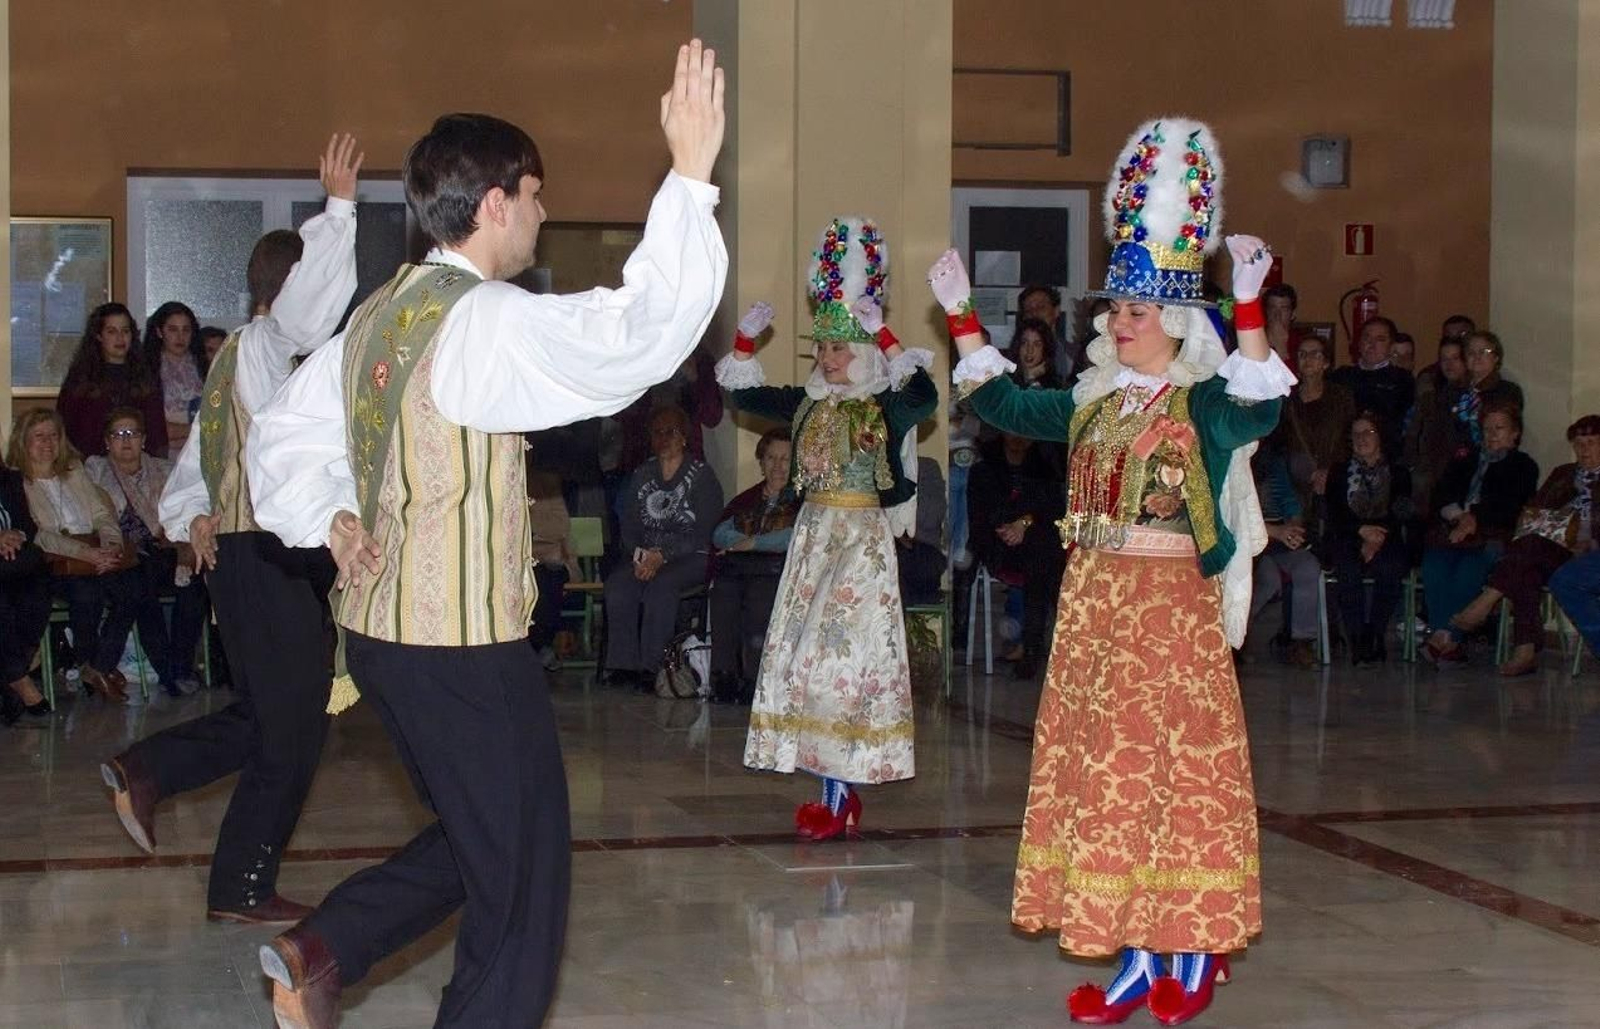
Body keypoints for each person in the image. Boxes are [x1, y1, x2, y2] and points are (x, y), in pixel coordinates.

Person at [245, 43, 727, 1029]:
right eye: (538, 196)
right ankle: (345, 954)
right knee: (523, 885)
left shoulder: (378, 316)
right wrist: (687, 179)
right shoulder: (482, 319)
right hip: (457, 645)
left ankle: (326, 948)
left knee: (491, 837)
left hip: (383, 639)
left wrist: (327, 515)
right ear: (497, 201)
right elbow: (633, 335)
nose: (544, 215)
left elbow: (282, 436)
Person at [937, 117, 1293, 1026]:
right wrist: (962, 318)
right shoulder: (1094, 403)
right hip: (1096, 611)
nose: (1115, 322)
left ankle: (1172, 954)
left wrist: (1248, 308)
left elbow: (1259, 410)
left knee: (1163, 778)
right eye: (1112, 311)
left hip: (1167, 615)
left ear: (1171, 319)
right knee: (1107, 777)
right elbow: (1008, 398)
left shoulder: (1204, 402)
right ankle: (1148, 952)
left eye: (1131, 311)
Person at [98, 136, 361, 941]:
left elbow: (191, 477)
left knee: (270, 716)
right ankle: (235, 871)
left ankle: (153, 777)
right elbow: (311, 306)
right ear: (281, 291)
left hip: (241, 558)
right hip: (267, 560)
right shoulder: (268, 345)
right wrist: (341, 209)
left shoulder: (234, 366)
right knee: (295, 724)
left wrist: (197, 519)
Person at [717, 215, 937, 843]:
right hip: (814, 537)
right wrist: (742, 342)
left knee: (847, 658)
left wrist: (888, 335)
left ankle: (840, 793)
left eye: (839, 348)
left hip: (860, 543)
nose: (828, 358)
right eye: (823, 347)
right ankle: (829, 790)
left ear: (862, 352)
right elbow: (746, 396)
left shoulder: (883, 405)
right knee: (807, 659)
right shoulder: (809, 402)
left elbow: (923, 396)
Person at [1443, 415, 1600, 676]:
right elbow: (1533, 513)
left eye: (1592, 443)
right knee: (1528, 551)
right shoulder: (1563, 474)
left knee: (1525, 566)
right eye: (1579, 444)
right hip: (1558, 550)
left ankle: (1495, 614)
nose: (1584, 450)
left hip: (1592, 556)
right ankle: (1520, 646)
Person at [11, 408, 134, 702]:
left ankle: (98, 666)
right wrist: (86, 553)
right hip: (56, 561)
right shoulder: (16, 482)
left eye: (53, 435)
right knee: (87, 594)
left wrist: (111, 545)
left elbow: (103, 513)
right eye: (39, 436)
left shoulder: (74, 471)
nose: (48, 443)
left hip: (96, 550)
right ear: (23, 441)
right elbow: (39, 534)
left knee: (133, 590)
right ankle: (90, 664)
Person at [85, 407, 206, 695]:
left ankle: (181, 667)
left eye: (133, 433)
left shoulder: (163, 470)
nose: (126, 441)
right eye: (118, 434)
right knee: (142, 588)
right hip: (122, 557)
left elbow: (182, 511)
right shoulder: (94, 471)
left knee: (195, 586)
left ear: (144, 439)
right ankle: (168, 673)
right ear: (107, 441)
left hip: (166, 549)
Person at [603, 404, 723, 686]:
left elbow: (704, 531)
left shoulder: (702, 477)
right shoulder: (643, 474)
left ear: (684, 437)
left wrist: (663, 555)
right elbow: (629, 523)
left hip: (690, 556)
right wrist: (641, 555)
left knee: (661, 587)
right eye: (657, 432)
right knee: (619, 585)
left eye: (671, 432)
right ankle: (623, 667)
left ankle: (652, 669)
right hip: (645, 556)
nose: (663, 438)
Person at [1421, 404, 1539, 664]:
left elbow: (1510, 505)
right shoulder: (1465, 457)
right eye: (1487, 429)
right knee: (1434, 564)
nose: (1492, 434)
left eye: (1499, 428)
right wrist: (1461, 518)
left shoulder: (1523, 465)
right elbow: (1443, 492)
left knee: (1470, 568)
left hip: (1493, 534)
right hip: (1455, 529)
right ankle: (1446, 638)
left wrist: (1475, 519)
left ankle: (1445, 636)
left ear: (1514, 433)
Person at [707, 426, 798, 704]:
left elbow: (795, 535)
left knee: (759, 598)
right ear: (761, 462)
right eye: (771, 458)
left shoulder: (802, 499)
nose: (778, 466)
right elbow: (720, 532)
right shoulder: (748, 499)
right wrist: (741, 542)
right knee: (723, 593)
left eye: (785, 459)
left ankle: (753, 679)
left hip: (777, 569)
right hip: (742, 567)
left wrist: (754, 543)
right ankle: (724, 676)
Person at [965, 431, 1066, 678]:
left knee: (1041, 550)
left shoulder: (1043, 469)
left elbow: (1053, 508)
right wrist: (1012, 526)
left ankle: (1033, 647)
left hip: (1035, 543)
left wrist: (1025, 522)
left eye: (1025, 433)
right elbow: (983, 516)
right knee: (1042, 557)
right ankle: (1034, 646)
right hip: (998, 543)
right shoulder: (984, 470)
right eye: (1013, 432)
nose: (1018, 438)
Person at [1325, 412, 1414, 665]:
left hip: (1386, 536)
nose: (1361, 438)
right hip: (1349, 535)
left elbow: (1402, 512)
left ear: (1380, 437)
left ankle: (1375, 633)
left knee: (1391, 567)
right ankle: (1357, 638)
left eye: (1368, 433)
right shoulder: (1339, 472)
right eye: (1356, 434)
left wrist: (1376, 536)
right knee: (1347, 568)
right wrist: (1361, 531)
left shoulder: (1398, 473)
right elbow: (1335, 512)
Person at [57, 304, 169, 459]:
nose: (120, 338)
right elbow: (66, 430)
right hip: (90, 468)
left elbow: (157, 432)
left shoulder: (146, 376)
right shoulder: (81, 378)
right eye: (111, 331)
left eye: (125, 331)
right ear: (98, 335)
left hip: (138, 468)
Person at [1248, 435, 1320, 667]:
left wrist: (1294, 529)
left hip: (1278, 539)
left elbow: (1290, 502)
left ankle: (1301, 641)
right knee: (1267, 578)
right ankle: (1234, 639)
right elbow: (1237, 516)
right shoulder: (1231, 460)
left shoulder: (1273, 462)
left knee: (1308, 566)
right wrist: (1276, 532)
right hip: (1249, 542)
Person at [0, 455, 53, 723]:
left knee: (37, 585)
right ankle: (19, 678)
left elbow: (27, 525)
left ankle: (12, 674)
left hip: (14, 563)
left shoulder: (10, 479)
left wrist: (14, 536)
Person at [526, 442, 579, 672]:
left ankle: (541, 645)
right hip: (522, 559)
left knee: (546, 578)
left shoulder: (545, 484)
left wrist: (531, 532)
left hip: (552, 558)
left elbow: (559, 528)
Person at [1404, 335, 1470, 516]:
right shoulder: (1432, 395)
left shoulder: (1472, 397)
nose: (1449, 364)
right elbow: (1415, 431)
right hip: (1429, 473)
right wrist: (1412, 462)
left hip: (1459, 474)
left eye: (1455, 358)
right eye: (1444, 359)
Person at [1330, 316, 1413, 451]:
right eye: (1367, 338)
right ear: (1360, 343)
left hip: (1387, 454)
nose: (1372, 344)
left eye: (1380, 339)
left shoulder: (1402, 380)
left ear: (1391, 346)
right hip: (1344, 452)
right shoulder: (1342, 376)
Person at [144, 301, 205, 458]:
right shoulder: (146, 369)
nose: (180, 337)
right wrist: (194, 429)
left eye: (186, 330)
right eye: (172, 330)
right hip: (162, 456)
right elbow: (155, 428)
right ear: (159, 331)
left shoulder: (204, 366)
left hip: (202, 453)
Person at [1451, 330, 1524, 453]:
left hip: (1492, 459)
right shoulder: (1453, 390)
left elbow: (1508, 431)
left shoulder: (1507, 391)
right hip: (1455, 461)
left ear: (1496, 357)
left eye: (1484, 352)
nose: (1477, 357)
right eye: (1471, 353)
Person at [1009, 317, 1063, 391]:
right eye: (1024, 343)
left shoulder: (1054, 386)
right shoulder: (1006, 381)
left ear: (1045, 349)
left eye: (1037, 344)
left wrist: (1032, 377)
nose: (1029, 350)